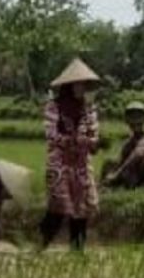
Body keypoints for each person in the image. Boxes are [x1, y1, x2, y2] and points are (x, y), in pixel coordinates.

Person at [39, 58, 101, 251]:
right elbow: (51, 135)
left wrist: (94, 143)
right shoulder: (53, 107)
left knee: (82, 208)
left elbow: (93, 133)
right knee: (60, 205)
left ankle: (77, 249)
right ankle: (40, 242)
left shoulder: (88, 109)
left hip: (81, 164)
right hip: (60, 163)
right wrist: (75, 141)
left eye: (83, 85)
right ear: (69, 85)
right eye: (78, 84)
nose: (81, 88)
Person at [101, 101, 144, 191]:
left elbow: (138, 154)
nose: (135, 120)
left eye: (138, 117)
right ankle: (105, 187)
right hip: (136, 180)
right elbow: (121, 161)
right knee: (110, 162)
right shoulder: (129, 143)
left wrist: (116, 175)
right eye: (132, 117)